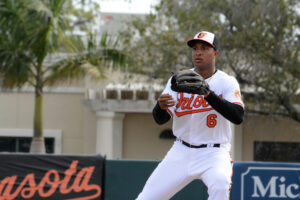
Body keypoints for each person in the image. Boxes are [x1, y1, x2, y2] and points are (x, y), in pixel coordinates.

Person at [136, 31, 244, 200]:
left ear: (215, 53)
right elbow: (160, 119)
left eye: (204, 48)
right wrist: (160, 106)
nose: (198, 52)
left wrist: (209, 94)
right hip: (181, 151)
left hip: (214, 153)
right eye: (194, 49)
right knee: (146, 198)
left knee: (220, 186)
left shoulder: (226, 82)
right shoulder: (179, 80)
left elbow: (237, 116)